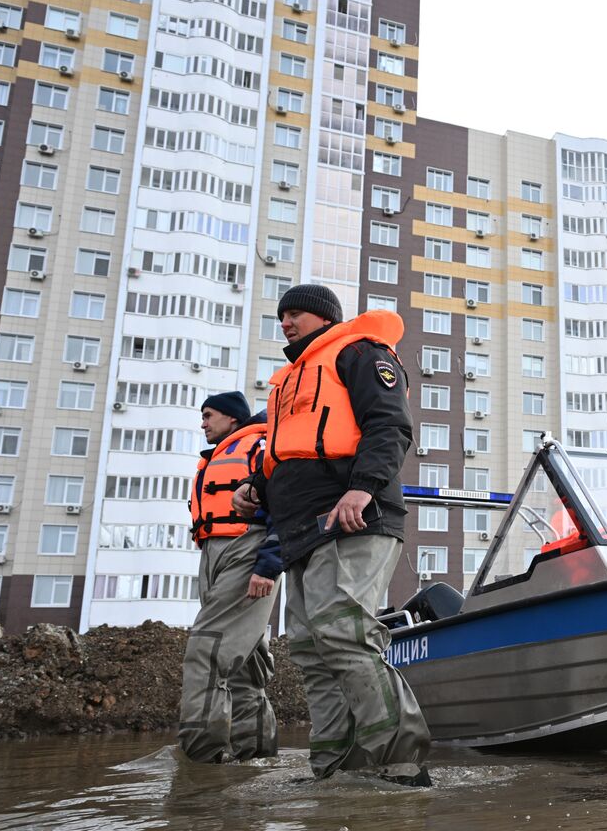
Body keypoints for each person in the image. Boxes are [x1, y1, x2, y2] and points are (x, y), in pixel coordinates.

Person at [232, 284, 431, 784]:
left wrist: (362, 488)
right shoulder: (289, 381)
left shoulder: (359, 353)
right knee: (309, 647)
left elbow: (390, 425)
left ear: (324, 317)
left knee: (343, 632)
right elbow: (289, 451)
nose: (285, 323)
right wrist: (256, 486)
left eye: (295, 314)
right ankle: (335, 769)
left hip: (354, 517)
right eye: (281, 316)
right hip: (301, 529)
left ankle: (399, 763)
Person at [178, 392, 281, 763]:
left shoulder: (258, 446)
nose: (203, 423)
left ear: (233, 418)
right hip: (214, 553)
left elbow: (283, 502)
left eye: (209, 415)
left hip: (246, 549)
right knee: (244, 663)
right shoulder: (217, 457)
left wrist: (268, 564)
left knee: (207, 650)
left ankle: (202, 761)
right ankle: (256, 759)